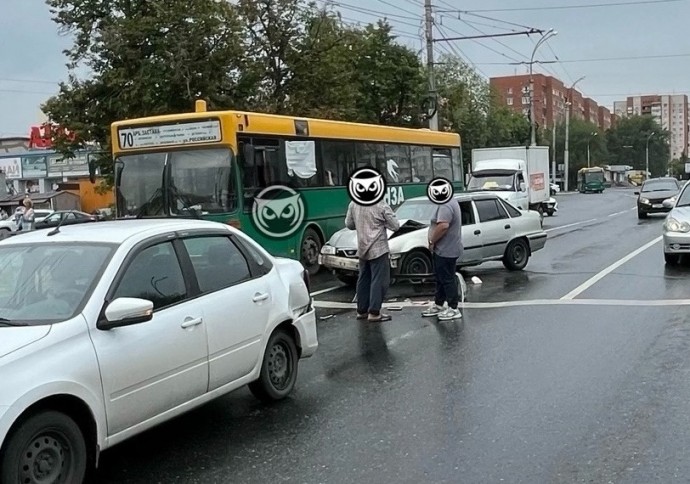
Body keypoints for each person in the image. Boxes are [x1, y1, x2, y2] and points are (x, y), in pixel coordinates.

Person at [345, 200, 400, 322]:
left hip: (362, 247)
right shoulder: (380, 204)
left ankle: (361, 310)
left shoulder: (354, 203)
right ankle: (374, 312)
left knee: (363, 279)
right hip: (378, 248)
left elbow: (349, 224)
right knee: (379, 280)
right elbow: (395, 225)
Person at [422, 198, 463, 321]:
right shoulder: (450, 202)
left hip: (446, 249)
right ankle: (439, 304)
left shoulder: (446, 204)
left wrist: (432, 240)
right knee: (440, 278)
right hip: (445, 249)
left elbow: (443, 225)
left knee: (447, 278)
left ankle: (453, 308)